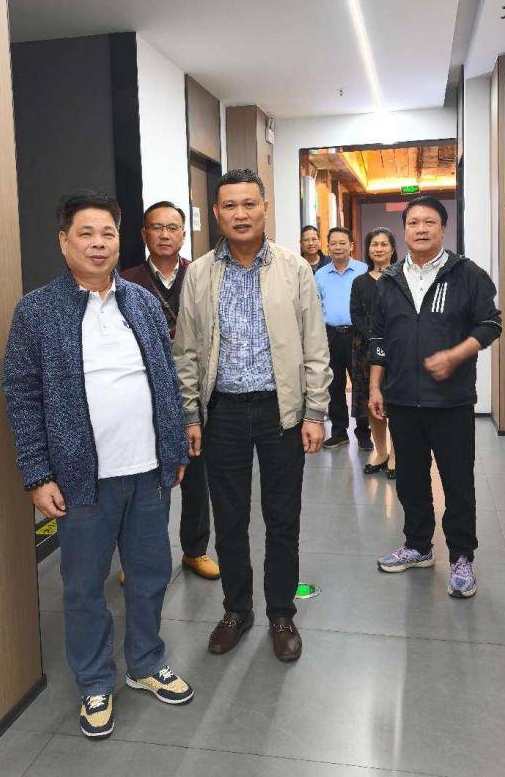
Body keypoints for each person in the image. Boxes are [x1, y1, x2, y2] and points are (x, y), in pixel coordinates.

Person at [2, 191, 194, 741]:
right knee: (84, 587)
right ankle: (93, 681)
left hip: (148, 471)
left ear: (119, 240)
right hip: (81, 480)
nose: (98, 243)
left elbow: (165, 378)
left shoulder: (141, 302)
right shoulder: (37, 311)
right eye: (85, 233)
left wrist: (173, 449)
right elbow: (21, 395)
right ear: (64, 242)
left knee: (151, 575)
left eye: (107, 233)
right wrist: (37, 474)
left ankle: (145, 662)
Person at [173, 168, 331, 662]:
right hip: (222, 413)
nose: (240, 214)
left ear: (264, 208)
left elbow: (315, 345)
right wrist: (190, 414)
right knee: (230, 519)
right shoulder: (200, 273)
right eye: (230, 206)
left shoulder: (294, 269)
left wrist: (315, 411)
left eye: (249, 204)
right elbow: (186, 351)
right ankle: (237, 611)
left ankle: (281, 613)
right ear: (216, 213)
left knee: (282, 518)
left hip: (280, 412)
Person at [368, 196, 502, 599]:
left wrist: (456, 354)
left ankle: (461, 556)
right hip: (402, 400)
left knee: (457, 482)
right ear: (405, 230)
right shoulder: (389, 280)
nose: (421, 229)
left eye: (429, 222)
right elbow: (378, 339)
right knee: (410, 480)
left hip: (451, 401)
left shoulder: (467, 274)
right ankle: (418, 546)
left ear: (444, 228)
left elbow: (490, 324)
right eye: (413, 223)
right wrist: (374, 386)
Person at [121, 200, 219, 581]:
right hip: (145, 393)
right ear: (144, 234)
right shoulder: (126, 280)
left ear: (183, 234)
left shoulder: (200, 275)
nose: (164, 235)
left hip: (193, 390)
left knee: (196, 475)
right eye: (156, 227)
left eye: (172, 227)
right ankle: (139, 559)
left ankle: (195, 550)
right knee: (146, 482)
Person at [314, 227, 370, 449]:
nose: (338, 247)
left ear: (351, 246)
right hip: (331, 336)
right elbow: (316, 306)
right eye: (333, 243)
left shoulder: (363, 270)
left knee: (361, 384)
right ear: (328, 246)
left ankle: (364, 432)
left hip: (358, 335)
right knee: (334, 385)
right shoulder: (320, 275)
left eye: (342, 243)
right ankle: (339, 432)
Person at [350, 228, 398, 477]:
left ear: (392, 248)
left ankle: (396, 456)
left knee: (397, 405)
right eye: (374, 244)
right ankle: (381, 453)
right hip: (366, 352)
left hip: (397, 349)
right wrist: (374, 337)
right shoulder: (359, 281)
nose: (378, 249)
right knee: (373, 404)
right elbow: (356, 314)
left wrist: (388, 339)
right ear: (368, 250)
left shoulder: (401, 278)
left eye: (383, 244)